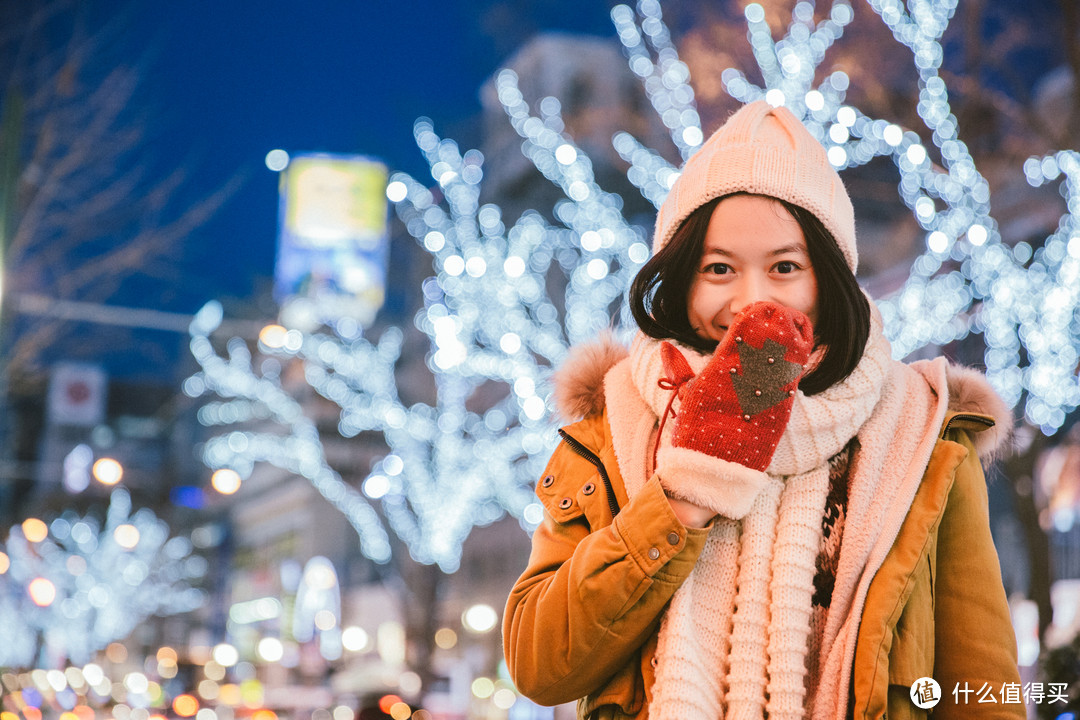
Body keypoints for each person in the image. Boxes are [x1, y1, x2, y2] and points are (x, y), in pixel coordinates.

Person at [503, 100, 1023, 720]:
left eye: (785, 267)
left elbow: (983, 685)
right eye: (718, 268)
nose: (752, 300)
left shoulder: (922, 436)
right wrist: (685, 494)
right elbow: (539, 665)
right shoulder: (610, 428)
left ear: (827, 279)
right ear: (680, 278)